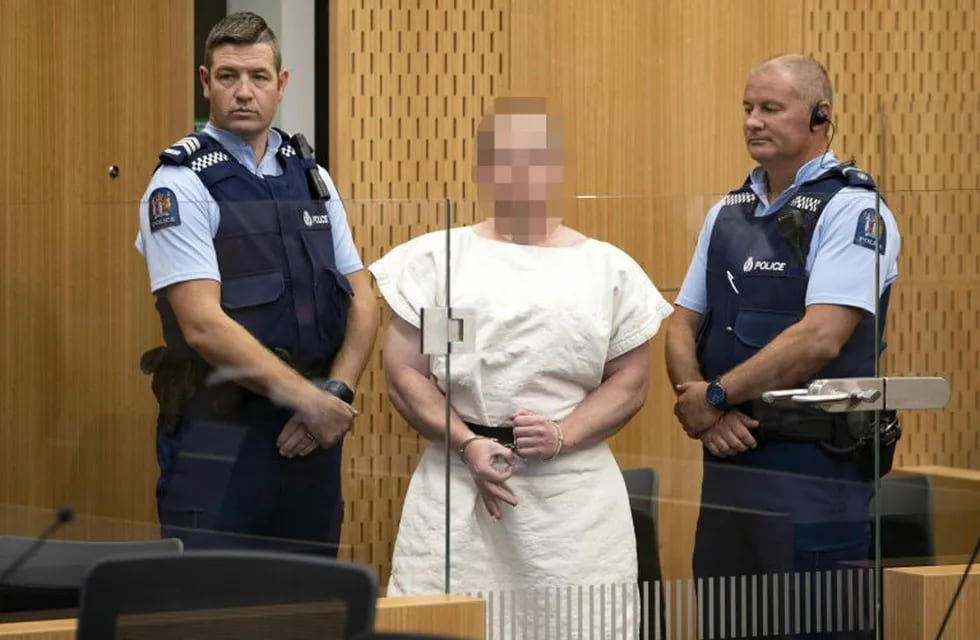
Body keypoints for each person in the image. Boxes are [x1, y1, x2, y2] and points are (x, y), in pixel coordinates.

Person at [369, 97, 673, 639]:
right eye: (506, 157)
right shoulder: (441, 260)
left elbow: (631, 381)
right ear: (484, 168)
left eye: (535, 157)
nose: (521, 171)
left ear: (556, 168)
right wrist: (467, 442)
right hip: (457, 487)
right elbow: (408, 374)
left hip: (573, 504)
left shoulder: (606, 269)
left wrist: (562, 432)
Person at [665, 54, 901, 638]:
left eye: (771, 108)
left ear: (821, 115)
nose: (752, 121)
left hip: (813, 468)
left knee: (814, 622)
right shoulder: (727, 212)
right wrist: (702, 409)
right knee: (725, 620)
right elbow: (679, 324)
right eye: (747, 108)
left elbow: (821, 336)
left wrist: (715, 395)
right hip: (727, 459)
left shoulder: (852, 208)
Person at [135, 12, 378, 554]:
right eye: (227, 77)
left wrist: (333, 394)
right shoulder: (180, 181)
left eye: (258, 77)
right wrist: (308, 402)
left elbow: (363, 297)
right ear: (205, 82)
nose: (243, 92)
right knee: (216, 610)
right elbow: (202, 324)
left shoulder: (311, 176)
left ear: (281, 84)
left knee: (312, 606)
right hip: (220, 438)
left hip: (310, 437)